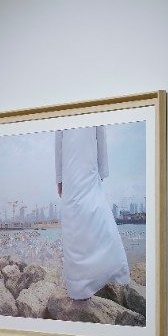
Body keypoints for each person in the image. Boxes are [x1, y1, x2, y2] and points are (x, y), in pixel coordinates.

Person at [55, 126, 129, 300]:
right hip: (81, 165)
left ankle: (81, 285)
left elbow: (58, 143)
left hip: (79, 166)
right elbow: (100, 135)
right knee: (91, 211)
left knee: (78, 216)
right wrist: (102, 171)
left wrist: (59, 178)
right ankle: (112, 272)